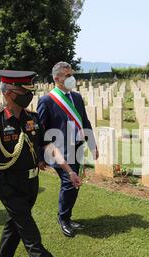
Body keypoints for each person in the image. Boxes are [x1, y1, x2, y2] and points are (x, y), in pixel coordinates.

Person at [0, 70, 81, 257]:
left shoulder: (32, 118)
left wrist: (69, 170)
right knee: (30, 234)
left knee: (16, 222)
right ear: (9, 93)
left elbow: (47, 147)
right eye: (24, 91)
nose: (29, 95)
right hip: (8, 184)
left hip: (31, 183)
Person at [37, 62, 98, 238]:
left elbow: (85, 122)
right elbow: (41, 130)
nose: (71, 78)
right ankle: (63, 219)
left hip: (76, 147)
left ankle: (67, 217)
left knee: (74, 184)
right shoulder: (47, 100)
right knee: (70, 183)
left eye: (71, 74)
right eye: (67, 75)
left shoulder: (77, 97)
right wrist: (40, 157)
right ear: (57, 78)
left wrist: (92, 143)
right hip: (59, 150)